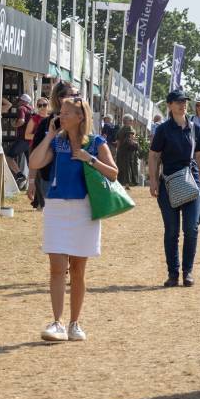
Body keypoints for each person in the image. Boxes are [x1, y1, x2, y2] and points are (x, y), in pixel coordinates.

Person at [28, 96, 119, 341]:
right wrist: (48, 135)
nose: (61, 116)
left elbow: (113, 173)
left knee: (78, 271)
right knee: (56, 268)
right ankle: (56, 322)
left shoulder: (97, 142)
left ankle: (74, 323)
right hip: (56, 207)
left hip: (84, 210)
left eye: (67, 113)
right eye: (61, 112)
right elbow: (34, 162)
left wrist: (89, 158)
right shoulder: (57, 142)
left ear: (80, 117)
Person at [149, 89, 200, 288]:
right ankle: (173, 273)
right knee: (172, 231)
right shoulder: (163, 130)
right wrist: (153, 180)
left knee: (191, 229)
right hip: (168, 183)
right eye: (178, 101)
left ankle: (187, 272)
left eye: (184, 101)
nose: (182, 104)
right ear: (169, 105)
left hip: (192, 183)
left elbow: (199, 155)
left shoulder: (195, 129)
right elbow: (154, 155)